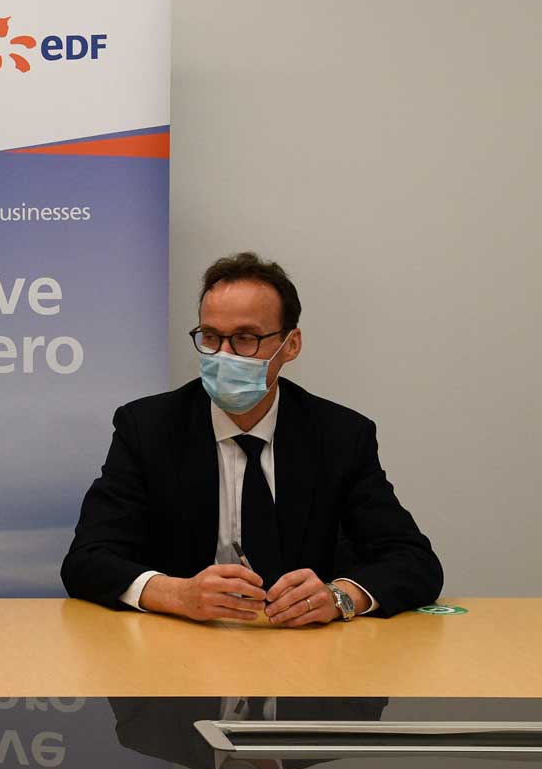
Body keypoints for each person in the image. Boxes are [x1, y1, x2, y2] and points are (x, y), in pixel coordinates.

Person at [61, 252, 441, 625]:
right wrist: (177, 594)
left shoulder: (341, 436)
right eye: (210, 337)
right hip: (179, 650)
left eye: (245, 338)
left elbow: (413, 560)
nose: (223, 355)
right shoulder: (147, 428)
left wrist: (340, 597)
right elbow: (86, 559)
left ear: (290, 345)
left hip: (306, 655)